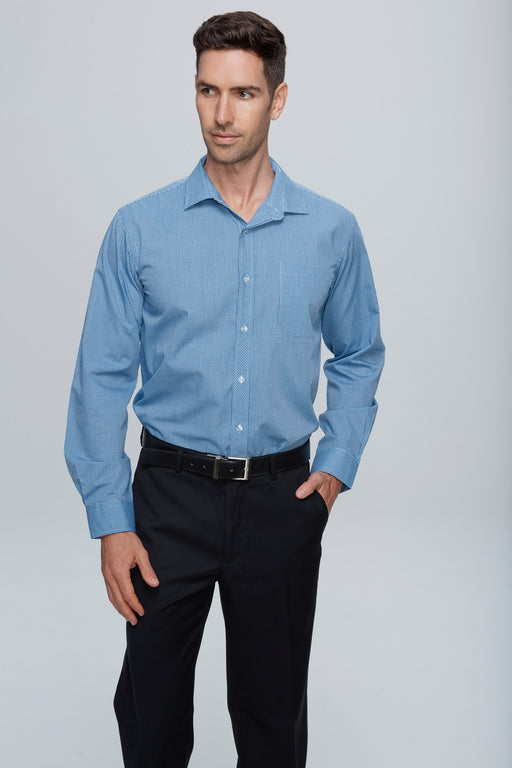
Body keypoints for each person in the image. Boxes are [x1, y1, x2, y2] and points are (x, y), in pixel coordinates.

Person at [64, 10, 385, 768]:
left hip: (282, 498)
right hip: (167, 498)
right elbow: (100, 377)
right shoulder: (139, 229)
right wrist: (110, 519)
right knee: (151, 714)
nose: (222, 113)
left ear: (277, 99)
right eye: (208, 90)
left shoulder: (331, 231)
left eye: (244, 93)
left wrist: (335, 465)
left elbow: (359, 353)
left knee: (273, 720)